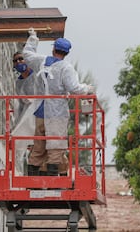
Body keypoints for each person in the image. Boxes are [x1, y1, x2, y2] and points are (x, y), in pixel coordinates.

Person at [23, 28, 95, 176]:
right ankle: (51, 182)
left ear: (54, 49)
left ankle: (33, 182)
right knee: (55, 146)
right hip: (56, 113)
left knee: (39, 145)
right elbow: (74, 88)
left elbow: (27, 55)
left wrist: (33, 38)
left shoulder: (41, 61)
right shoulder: (66, 68)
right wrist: (87, 88)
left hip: (40, 111)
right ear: (66, 53)